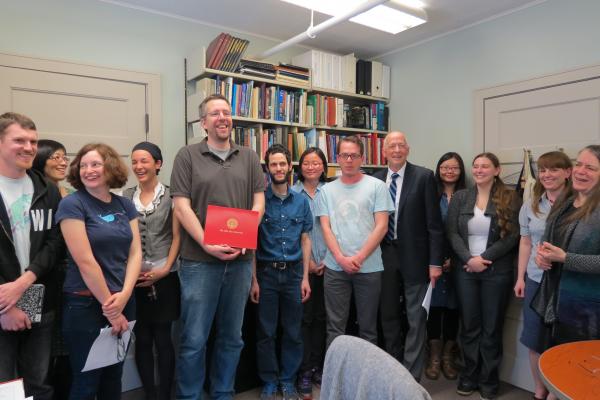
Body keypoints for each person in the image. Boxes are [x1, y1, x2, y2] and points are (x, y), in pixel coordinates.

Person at [170, 93, 265, 400]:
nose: (223, 117)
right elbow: (181, 207)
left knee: (232, 337)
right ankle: (190, 396)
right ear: (204, 123)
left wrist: (245, 233)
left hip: (239, 262)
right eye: (215, 113)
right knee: (194, 338)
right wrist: (208, 243)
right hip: (199, 263)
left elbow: (259, 202)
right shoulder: (187, 155)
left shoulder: (249, 156)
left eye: (226, 112)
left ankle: (223, 392)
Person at [56, 143, 142, 400]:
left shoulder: (124, 205)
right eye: (83, 165)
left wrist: (125, 294)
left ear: (110, 167)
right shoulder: (72, 204)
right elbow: (85, 261)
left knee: (113, 376)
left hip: (124, 300)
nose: (88, 170)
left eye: (95, 164)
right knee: (86, 381)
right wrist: (111, 307)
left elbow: (136, 253)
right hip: (85, 304)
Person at [0, 112, 64, 400]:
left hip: (38, 294)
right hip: (1, 301)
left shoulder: (47, 189)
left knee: (39, 382)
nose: (28, 147)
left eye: (33, 141)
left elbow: (54, 242)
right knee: (5, 387)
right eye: (19, 140)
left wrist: (24, 283)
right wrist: (5, 306)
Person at [446, 152, 520, 400]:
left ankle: (488, 380)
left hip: (496, 271)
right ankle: (469, 376)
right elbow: (452, 233)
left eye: (485, 166)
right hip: (465, 270)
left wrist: (484, 258)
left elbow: (513, 236)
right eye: (475, 166)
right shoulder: (460, 197)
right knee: (470, 327)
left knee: (491, 328)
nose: (479, 170)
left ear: (496, 170)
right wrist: (469, 259)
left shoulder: (510, 197)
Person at [373, 131, 445, 381]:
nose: (396, 150)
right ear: (384, 151)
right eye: (391, 145)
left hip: (416, 257)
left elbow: (435, 224)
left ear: (408, 149)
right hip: (383, 256)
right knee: (389, 315)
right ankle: (393, 368)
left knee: (416, 317)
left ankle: (411, 374)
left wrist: (435, 262)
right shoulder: (374, 179)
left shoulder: (423, 177)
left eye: (400, 145)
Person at [315, 135, 394, 349]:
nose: (349, 160)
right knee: (335, 328)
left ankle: (366, 379)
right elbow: (326, 228)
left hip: (368, 268)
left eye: (354, 155)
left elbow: (382, 226)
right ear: (337, 158)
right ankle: (335, 378)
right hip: (335, 268)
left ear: (362, 158)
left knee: (368, 328)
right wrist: (340, 259)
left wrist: (358, 258)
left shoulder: (377, 187)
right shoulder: (326, 190)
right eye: (344, 155)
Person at [250, 144, 312, 400]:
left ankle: (287, 379)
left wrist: (306, 277)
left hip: (294, 274)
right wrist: (253, 279)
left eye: (282, 164)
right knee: (265, 332)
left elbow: (306, 239)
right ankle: (269, 380)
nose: (278, 168)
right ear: (267, 168)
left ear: (290, 167)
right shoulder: (260, 201)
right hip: (266, 274)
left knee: (293, 331)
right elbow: (251, 242)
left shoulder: (301, 202)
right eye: (273, 164)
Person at [123, 142, 181, 400]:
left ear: (158, 164)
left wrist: (165, 269)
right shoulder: (125, 197)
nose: (138, 166)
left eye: (144, 161)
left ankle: (165, 395)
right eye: (134, 161)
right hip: (134, 279)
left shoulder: (172, 196)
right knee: (142, 339)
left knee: (163, 338)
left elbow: (178, 237)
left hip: (165, 276)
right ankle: (149, 393)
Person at [513, 151, 571, 400]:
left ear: (568, 172)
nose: (547, 175)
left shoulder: (580, 204)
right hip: (536, 280)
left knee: (565, 341)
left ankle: (558, 393)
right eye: (543, 170)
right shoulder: (531, 204)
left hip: (568, 283)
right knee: (534, 338)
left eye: (554, 169)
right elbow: (526, 242)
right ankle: (539, 390)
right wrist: (520, 277)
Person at [533, 145, 600, 346]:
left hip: (589, 310)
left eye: (590, 168)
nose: (580, 171)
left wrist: (565, 258)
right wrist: (541, 256)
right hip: (555, 302)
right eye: (578, 164)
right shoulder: (565, 202)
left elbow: (563, 255)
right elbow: (547, 241)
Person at [32, 139, 73, 400]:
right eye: (55, 157)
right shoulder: (33, 195)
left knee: (68, 349)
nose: (62, 162)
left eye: (64, 157)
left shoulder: (70, 193)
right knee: (37, 355)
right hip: (39, 281)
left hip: (70, 280)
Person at [424, 152, 466, 381]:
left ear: (461, 171)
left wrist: (455, 258)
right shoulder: (431, 194)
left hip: (460, 262)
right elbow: (428, 229)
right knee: (435, 308)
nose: (449, 171)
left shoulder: (468, 195)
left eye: (454, 168)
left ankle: (449, 357)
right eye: (445, 167)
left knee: (453, 309)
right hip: (434, 262)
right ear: (438, 169)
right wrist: (438, 259)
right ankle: (434, 357)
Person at [291, 147, 328, 398]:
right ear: (300, 166)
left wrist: (327, 259)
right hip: (301, 269)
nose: (312, 167)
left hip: (331, 265)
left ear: (324, 167)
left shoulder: (333, 192)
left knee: (324, 320)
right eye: (307, 163)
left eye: (316, 163)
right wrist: (309, 264)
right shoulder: (291, 193)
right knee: (303, 320)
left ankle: (318, 366)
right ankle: (303, 369)